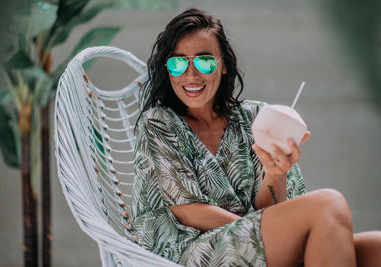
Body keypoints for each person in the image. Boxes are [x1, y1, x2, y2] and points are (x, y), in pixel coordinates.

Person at [131, 8, 381, 267]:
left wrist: (276, 174)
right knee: (329, 203)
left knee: (376, 247)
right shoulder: (158, 123)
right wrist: (275, 232)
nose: (191, 74)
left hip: (252, 242)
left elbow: (271, 210)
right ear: (167, 68)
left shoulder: (257, 117)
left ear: (224, 64)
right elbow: (189, 211)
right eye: (178, 62)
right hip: (188, 251)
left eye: (205, 61)